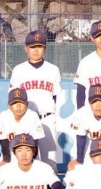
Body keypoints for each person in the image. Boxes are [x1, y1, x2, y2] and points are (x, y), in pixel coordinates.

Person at [9, 30, 62, 172]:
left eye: (39, 46)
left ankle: (53, 186)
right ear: (26, 48)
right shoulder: (19, 70)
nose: (36, 50)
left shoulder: (53, 69)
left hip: (47, 118)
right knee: (23, 160)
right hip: (26, 119)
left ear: (45, 48)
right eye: (32, 47)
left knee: (50, 160)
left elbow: (56, 97)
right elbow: (13, 97)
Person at [0, 88, 45, 166]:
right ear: (9, 106)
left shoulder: (33, 116)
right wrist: (6, 159)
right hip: (10, 156)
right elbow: (3, 140)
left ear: (27, 104)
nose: (18, 106)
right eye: (14, 103)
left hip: (30, 156)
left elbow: (35, 142)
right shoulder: (3, 116)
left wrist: (31, 161)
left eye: (21, 102)